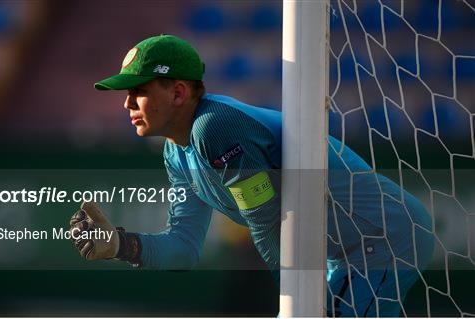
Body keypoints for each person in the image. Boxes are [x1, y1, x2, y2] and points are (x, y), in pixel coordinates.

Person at [69, 34, 434, 316]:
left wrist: (296, 303)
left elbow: (266, 222)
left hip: (383, 237)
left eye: (138, 91)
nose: (126, 103)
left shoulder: (214, 127)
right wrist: (121, 245)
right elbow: (183, 247)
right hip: (347, 251)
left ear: (178, 92)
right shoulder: (175, 152)